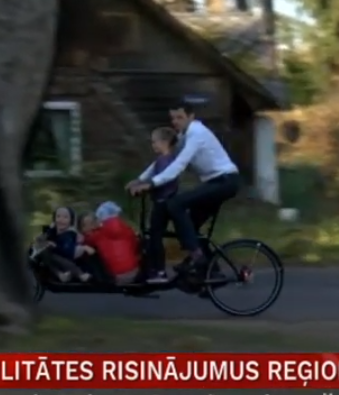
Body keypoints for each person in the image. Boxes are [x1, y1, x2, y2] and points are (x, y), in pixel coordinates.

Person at [126, 100, 240, 276]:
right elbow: (165, 159)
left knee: (176, 204)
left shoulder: (197, 134)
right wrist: (139, 179)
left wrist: (152, 183)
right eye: (173, 118)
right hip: (213, 182)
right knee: (191, 227)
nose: (175, 122)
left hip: (225, 181)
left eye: (179, 117)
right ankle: (211, 271)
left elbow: (179, 165)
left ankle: (195, 255)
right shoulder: (183, 136)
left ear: (191, 116)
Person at [143, 126, 180, 284]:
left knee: (155, 236)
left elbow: (163, 182)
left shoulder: (165, 161)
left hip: (162, 203)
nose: (153, 145)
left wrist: (147, 188)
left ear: (165, 142)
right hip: (161, 201)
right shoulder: (163, 160)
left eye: (155, 142)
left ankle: (159, 271)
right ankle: (156, 269)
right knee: (154, 236)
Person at [81, 202, 140, 285]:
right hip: (134, 271)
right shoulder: (127, 229)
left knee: (90, 253)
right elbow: (134, 245)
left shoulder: (98, 234)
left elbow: (84, 242)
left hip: (118, 277)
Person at [35, 206, 91, 283]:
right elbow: (42, 238)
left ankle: (79, 273)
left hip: (68, 259)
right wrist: (44, 236)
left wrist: (55, 246)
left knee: (50, 254)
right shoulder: (53, 230)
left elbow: (68, 252)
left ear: (71, 220)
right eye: (58, 216)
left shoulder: (70, 234)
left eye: (65, 217)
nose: (61, 220)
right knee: (44, 253)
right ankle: (60, 274)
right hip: (57, 260)